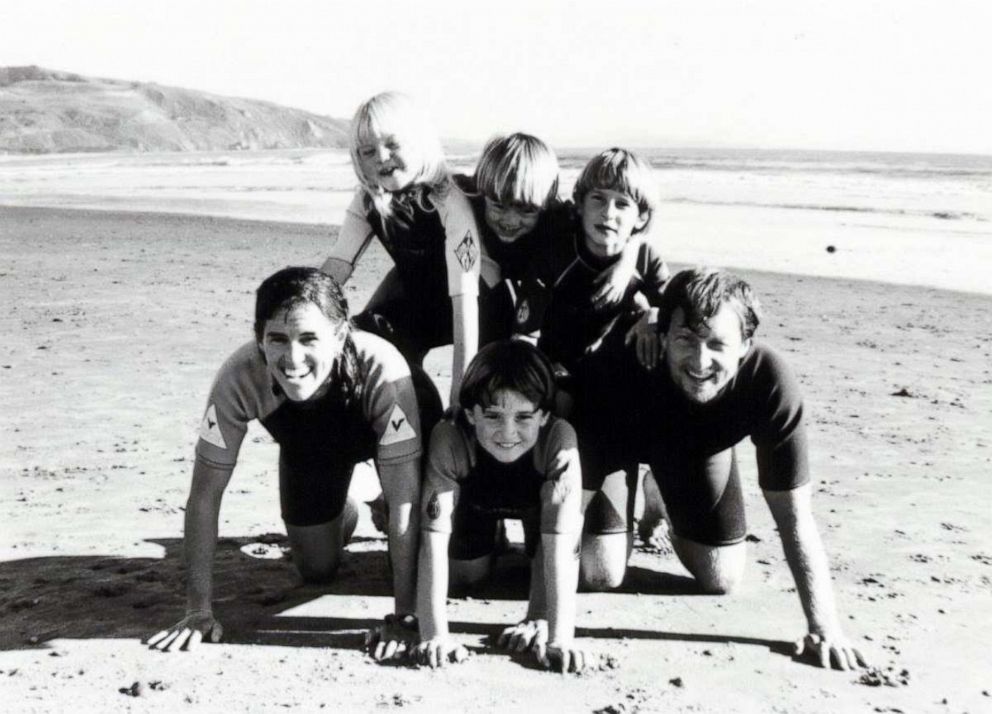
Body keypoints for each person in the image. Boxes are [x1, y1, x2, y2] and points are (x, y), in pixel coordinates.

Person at [148, 267, 439, 660]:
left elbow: (406, 501)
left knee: (435, 560)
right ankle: (352, 502)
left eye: (309, 339)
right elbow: (204, 496)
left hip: (402, 426)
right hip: (312, 446)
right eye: (278, 340)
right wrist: (197, 610)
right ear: (259, 339)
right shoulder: (238, 378)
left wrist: (405, 617)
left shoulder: (384, 371)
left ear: (339, 337)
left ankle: (381, 496)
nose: (293, 358)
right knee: (316, 570)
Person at [615, 267, 867, 670]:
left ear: (746, 345)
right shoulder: (631, 354)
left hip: (693, 452)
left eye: (718, 344)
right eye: (685, 339)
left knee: (721, 578)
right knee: (600, 570)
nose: (700, 360)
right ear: (663, 335)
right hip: (618, 445)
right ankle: (644, 490)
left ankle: (657, 492)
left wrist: (824, 626)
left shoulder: (769, 380)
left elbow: (795, 517)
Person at [523, 148, 669, 592]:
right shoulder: (554, 251)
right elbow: (524, 334)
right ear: (580, 203)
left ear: (641, 217)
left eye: (623, 204)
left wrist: (656, 313)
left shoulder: (646, 261)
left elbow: (679, 309)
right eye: (599, 199)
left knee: (601, 575)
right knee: (542, 552)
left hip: (617, 420)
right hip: (564, 406)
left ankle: (655, 494)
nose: (609, 213)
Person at [413, 341, 589, 672]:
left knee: (563, 551)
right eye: (492, 415)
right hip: (477, 502)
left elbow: (563, 540)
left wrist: (556, 633)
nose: (507, 432)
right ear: (470, 413)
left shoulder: (558, 439)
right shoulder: (450, 437)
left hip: (540, 515)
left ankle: (531, 577)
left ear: (544, 416)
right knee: (466, 576)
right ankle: (493, 540)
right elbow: (432, 542)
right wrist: (434, 635)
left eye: (523, 417)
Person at [319, 91, 481, 403]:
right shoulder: (369, 201)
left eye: (393, 144)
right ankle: (412, 408)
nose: (381, 156)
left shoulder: (449, 197)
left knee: (481, 388)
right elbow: (338, 264)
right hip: (418, 301)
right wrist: (298, 311)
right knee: (361, 342)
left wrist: (460, 392)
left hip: (477, 301)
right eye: (368, 151)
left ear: (420, 141)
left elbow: (466, 295)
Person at [454, 134, 639, 343]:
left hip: (532, 277)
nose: (510, 220)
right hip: (482, 274)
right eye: (498, 205)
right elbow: (436, 179)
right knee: (494, 312)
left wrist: (626, 262)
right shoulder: (464, 198)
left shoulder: (557, 217)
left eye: (527, 211)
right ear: (481, 188)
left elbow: (622, 230)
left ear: (548, 201)